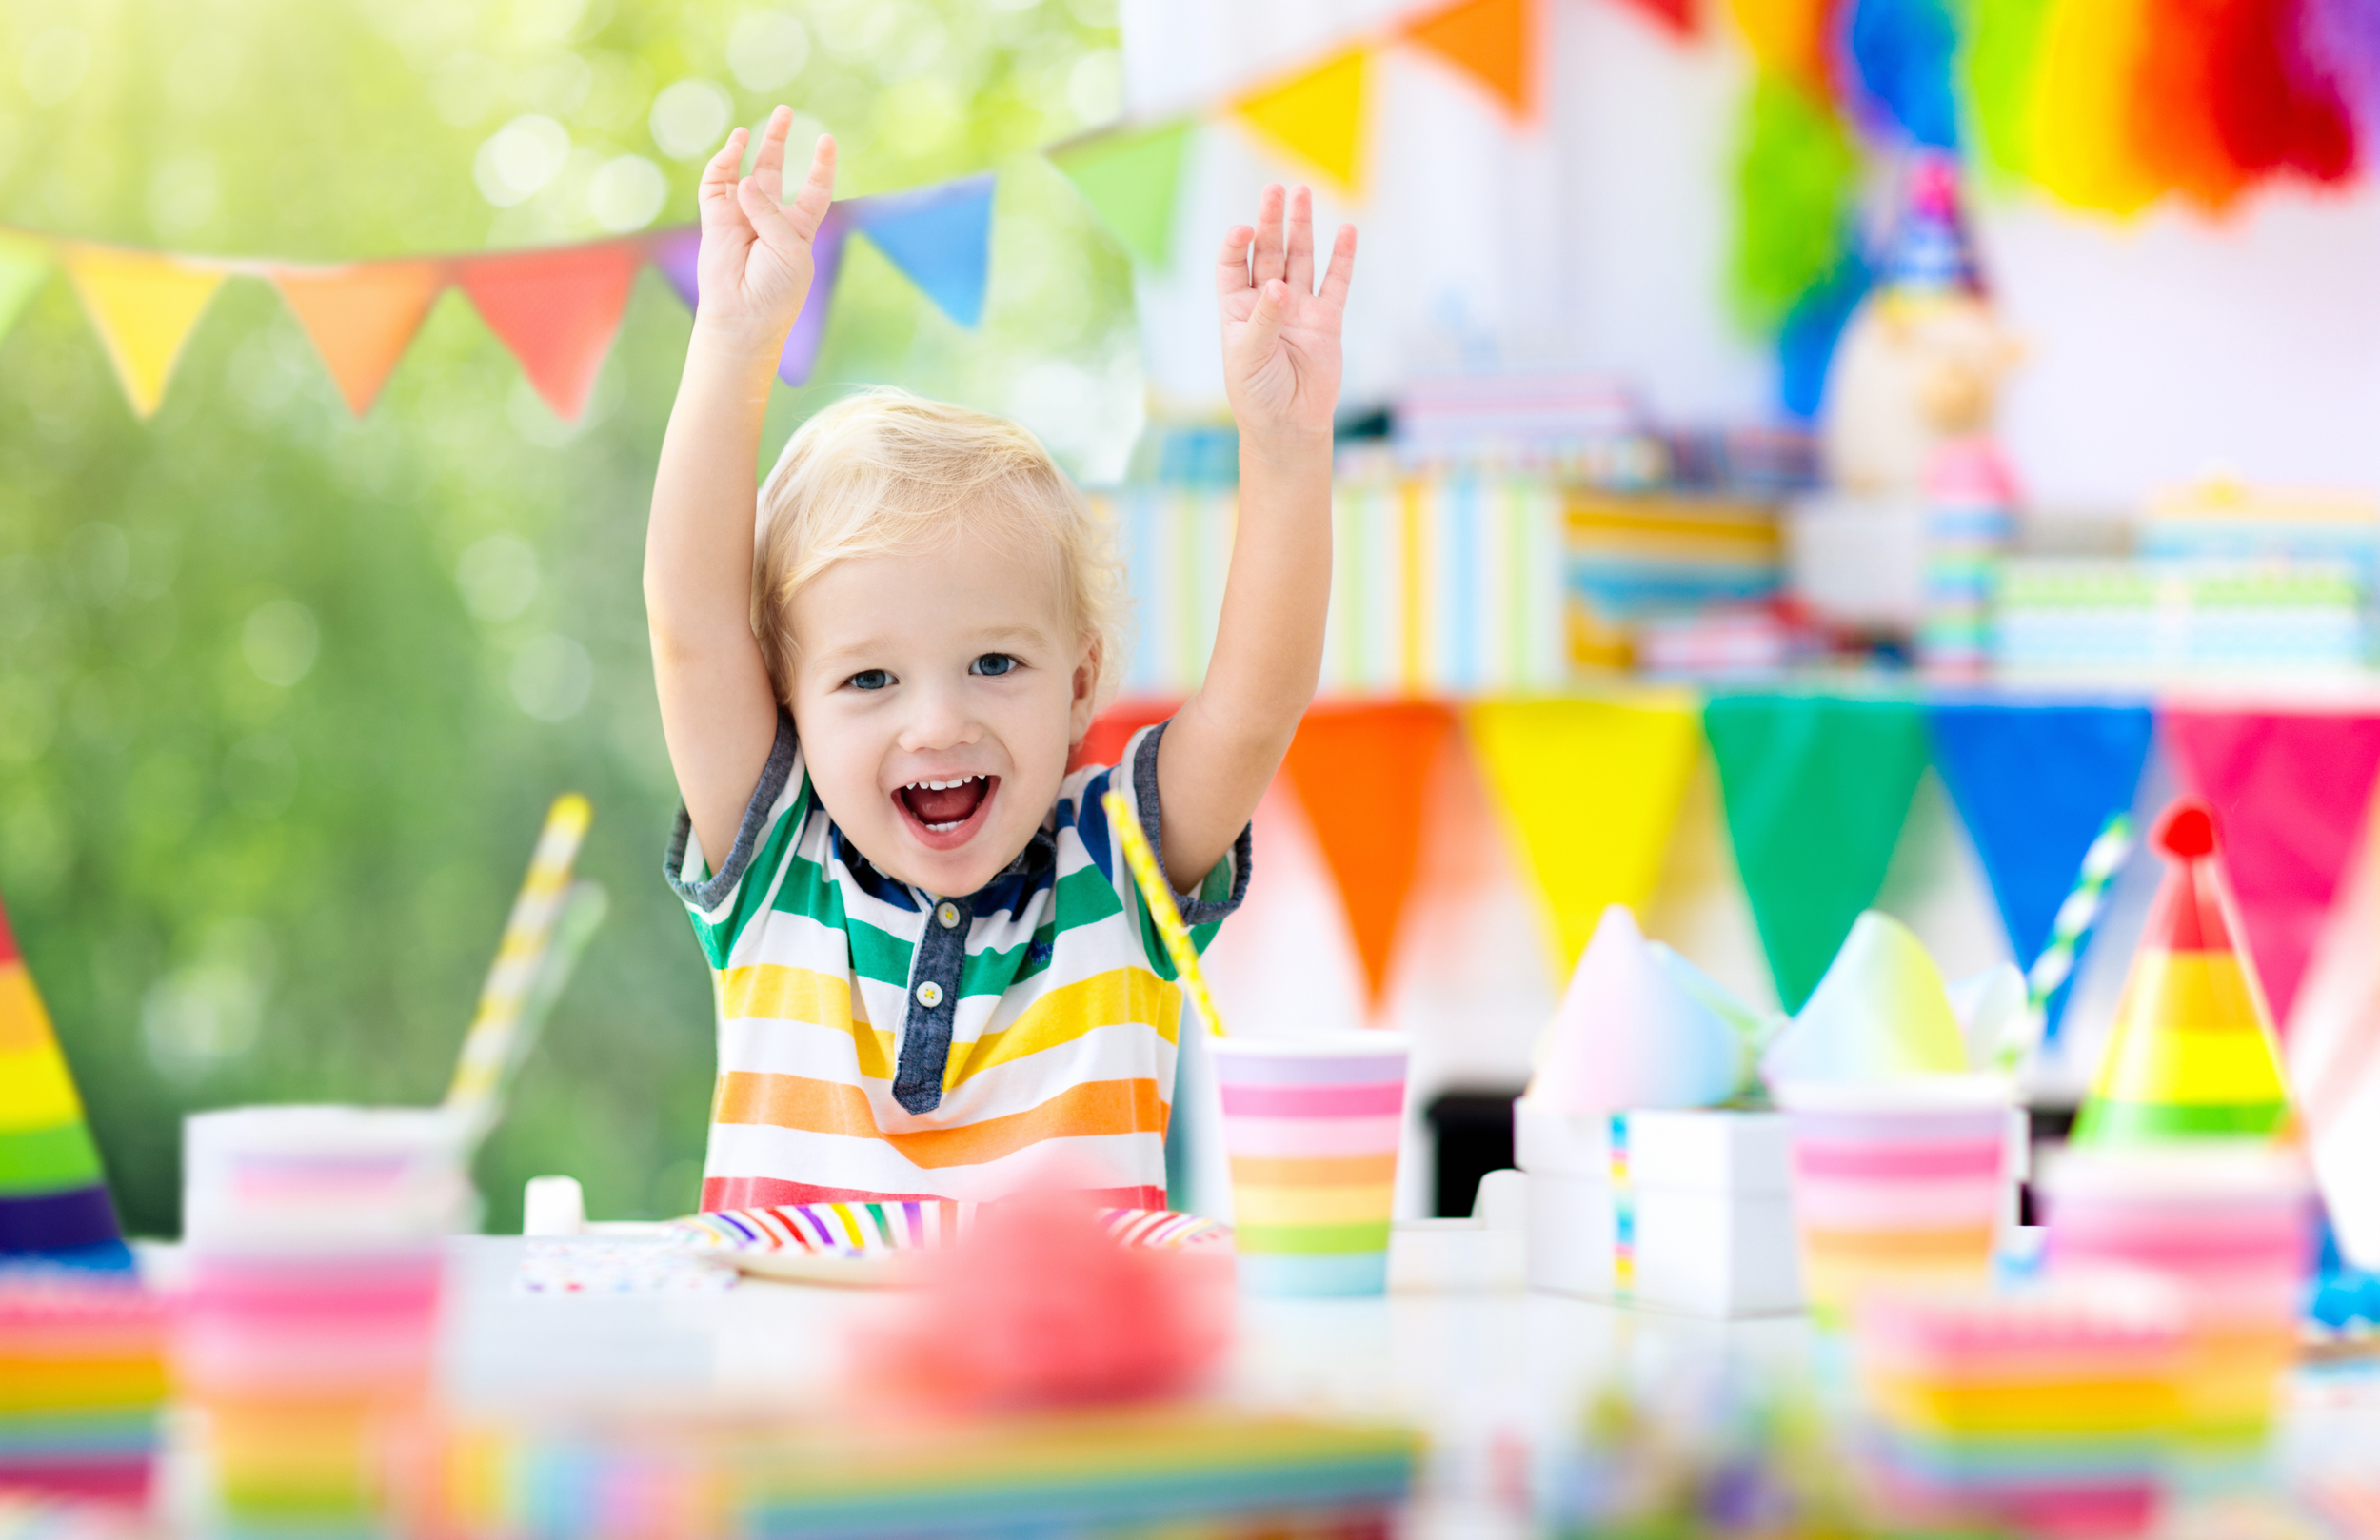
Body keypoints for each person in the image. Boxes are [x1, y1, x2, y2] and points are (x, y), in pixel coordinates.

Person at [645, 106, 1357, 1212]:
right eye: (869, 679)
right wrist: (735, 342)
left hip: (1074, 1386)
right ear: (788, 697)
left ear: (1078, 685)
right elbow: (691, 624)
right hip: (791, 1381)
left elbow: (1258, 704)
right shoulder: (776, 860)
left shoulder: (1120, 864)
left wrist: (1284, 446)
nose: (936, 723)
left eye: (993, 664)